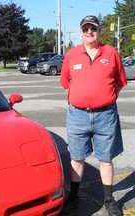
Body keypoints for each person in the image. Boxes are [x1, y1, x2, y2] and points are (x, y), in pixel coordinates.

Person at [60, 15, 127, 216]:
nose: (90, 32)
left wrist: (106, 97)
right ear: (81, 32)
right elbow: (66, 83)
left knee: (105, 159)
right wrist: (79, 101)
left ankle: (109, 199)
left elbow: (120, 81)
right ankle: (73, 197)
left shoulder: (111, 52)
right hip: (77, 116)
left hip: (105, 115)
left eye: (93, 28)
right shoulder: (71, 55)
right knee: (77, 158)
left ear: (99, 31)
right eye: (86, 28)